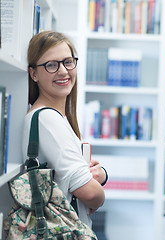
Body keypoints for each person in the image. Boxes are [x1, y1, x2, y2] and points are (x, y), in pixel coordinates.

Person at [22, 30, 106, 227]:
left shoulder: (56, 117)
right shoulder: (48, 119)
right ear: (33, 73)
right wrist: (99, 194)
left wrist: (100, 175)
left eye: (68, 62)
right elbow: (91, 193)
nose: (63, 71)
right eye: (51, 65)